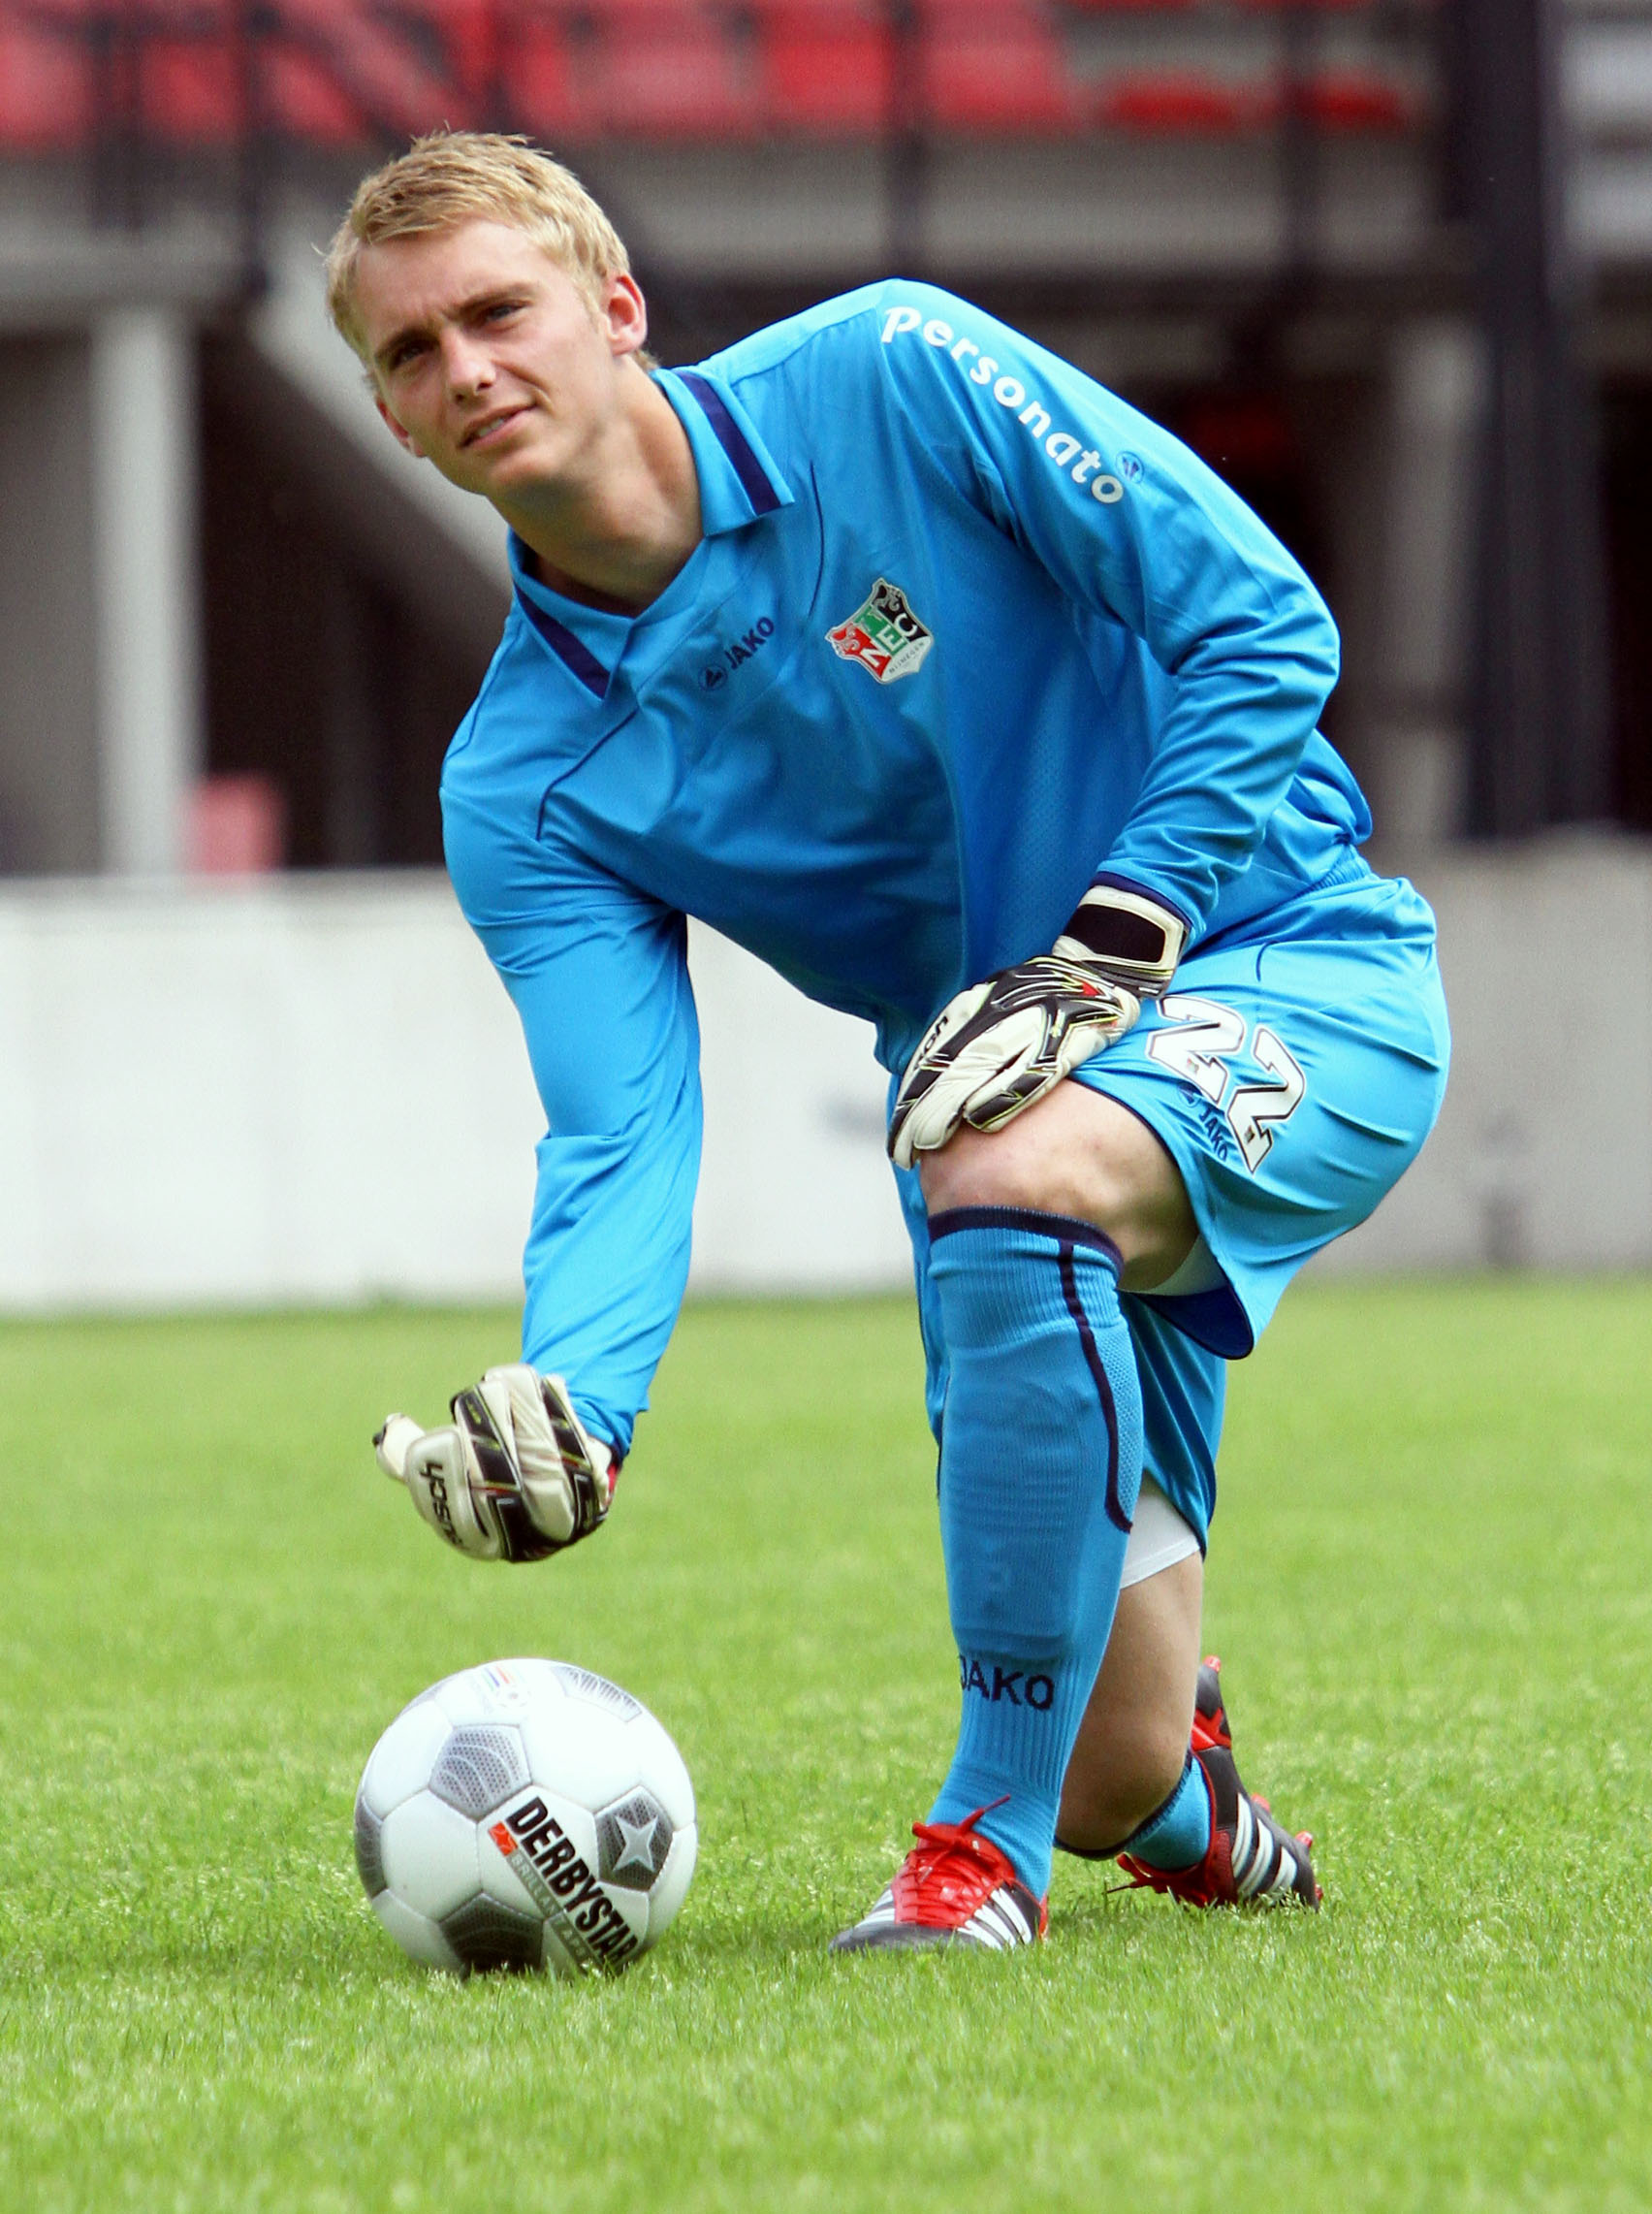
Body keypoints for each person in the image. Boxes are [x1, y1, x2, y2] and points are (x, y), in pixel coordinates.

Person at [331, 130, 1449, 1951]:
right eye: (409, 353)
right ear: (387, 415)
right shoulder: (523, 784)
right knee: (1111, 1768)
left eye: (497, 312)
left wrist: (1118, 933)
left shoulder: (894, 372)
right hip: (1004, 1115)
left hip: (1288, 961)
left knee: (999, 1174)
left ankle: (969, 1860)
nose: (465, 369)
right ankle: (1176, 1798)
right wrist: (577, 1405)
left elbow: (1262, 619)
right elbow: (621, 1130)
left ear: (615, 308)